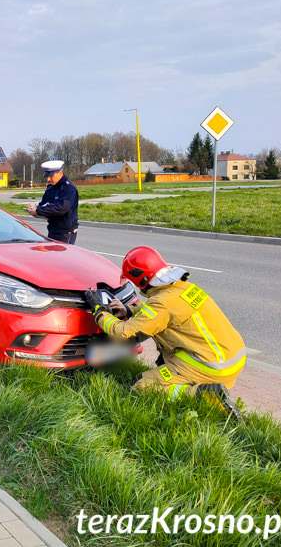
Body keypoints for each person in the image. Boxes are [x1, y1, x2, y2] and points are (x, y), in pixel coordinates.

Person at [85, 246, 245, 418]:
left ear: (142, 279)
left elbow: (123, 333)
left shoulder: (162, 304)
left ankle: (205, 396)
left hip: (209, 366)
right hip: (231, 359)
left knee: (142, 386)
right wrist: (129, 310)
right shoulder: (182, 287)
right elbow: (162, 309)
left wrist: (99, 312)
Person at [27, 160, 79, 244]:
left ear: (60, 173)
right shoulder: (51, 188)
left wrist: (38, 211)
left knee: (62, 257)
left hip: (65, 234)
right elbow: (44, 204)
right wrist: (36, 209)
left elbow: (62, 208)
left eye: (51, 176)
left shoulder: (68, 188)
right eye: (47, 176)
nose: (48, 179)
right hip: (53, 230)